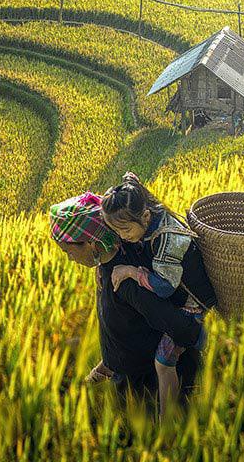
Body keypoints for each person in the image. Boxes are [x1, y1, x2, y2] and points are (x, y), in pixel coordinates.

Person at [49, 192, 204, 407]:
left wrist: (198, 337)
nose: (69, 258)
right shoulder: (106, 266)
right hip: (120, 372)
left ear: (92, 244)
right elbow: (122, 326)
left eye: (69, 251)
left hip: (140, 392)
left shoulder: (126, 282)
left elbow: (179, 327)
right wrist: (107, 364)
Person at [100, 172, 217, 416]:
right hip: (176, 298)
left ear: (144, 216)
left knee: (163, 363)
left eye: (125, 230)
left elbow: (165, 287)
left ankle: (167, 421)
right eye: (117, 231)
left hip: (192, 304)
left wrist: (132, 271)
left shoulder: (168, 238)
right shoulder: (147, 221)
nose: (123, 237)